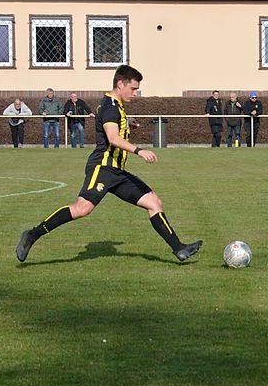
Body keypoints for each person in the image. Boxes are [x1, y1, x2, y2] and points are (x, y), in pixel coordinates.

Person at [15, 65, 202, 263]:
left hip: (117, 172)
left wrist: (127, 123)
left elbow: (111, 124)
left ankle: (179, 248)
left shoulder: (115, 105)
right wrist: (139, 150)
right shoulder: (111, 107)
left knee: (154, 202)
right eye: (133, 88)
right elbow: (112, 138)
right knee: (82, 209)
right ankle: (32, 234)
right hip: (103, 168)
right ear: (120, 84)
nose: (135, 93)